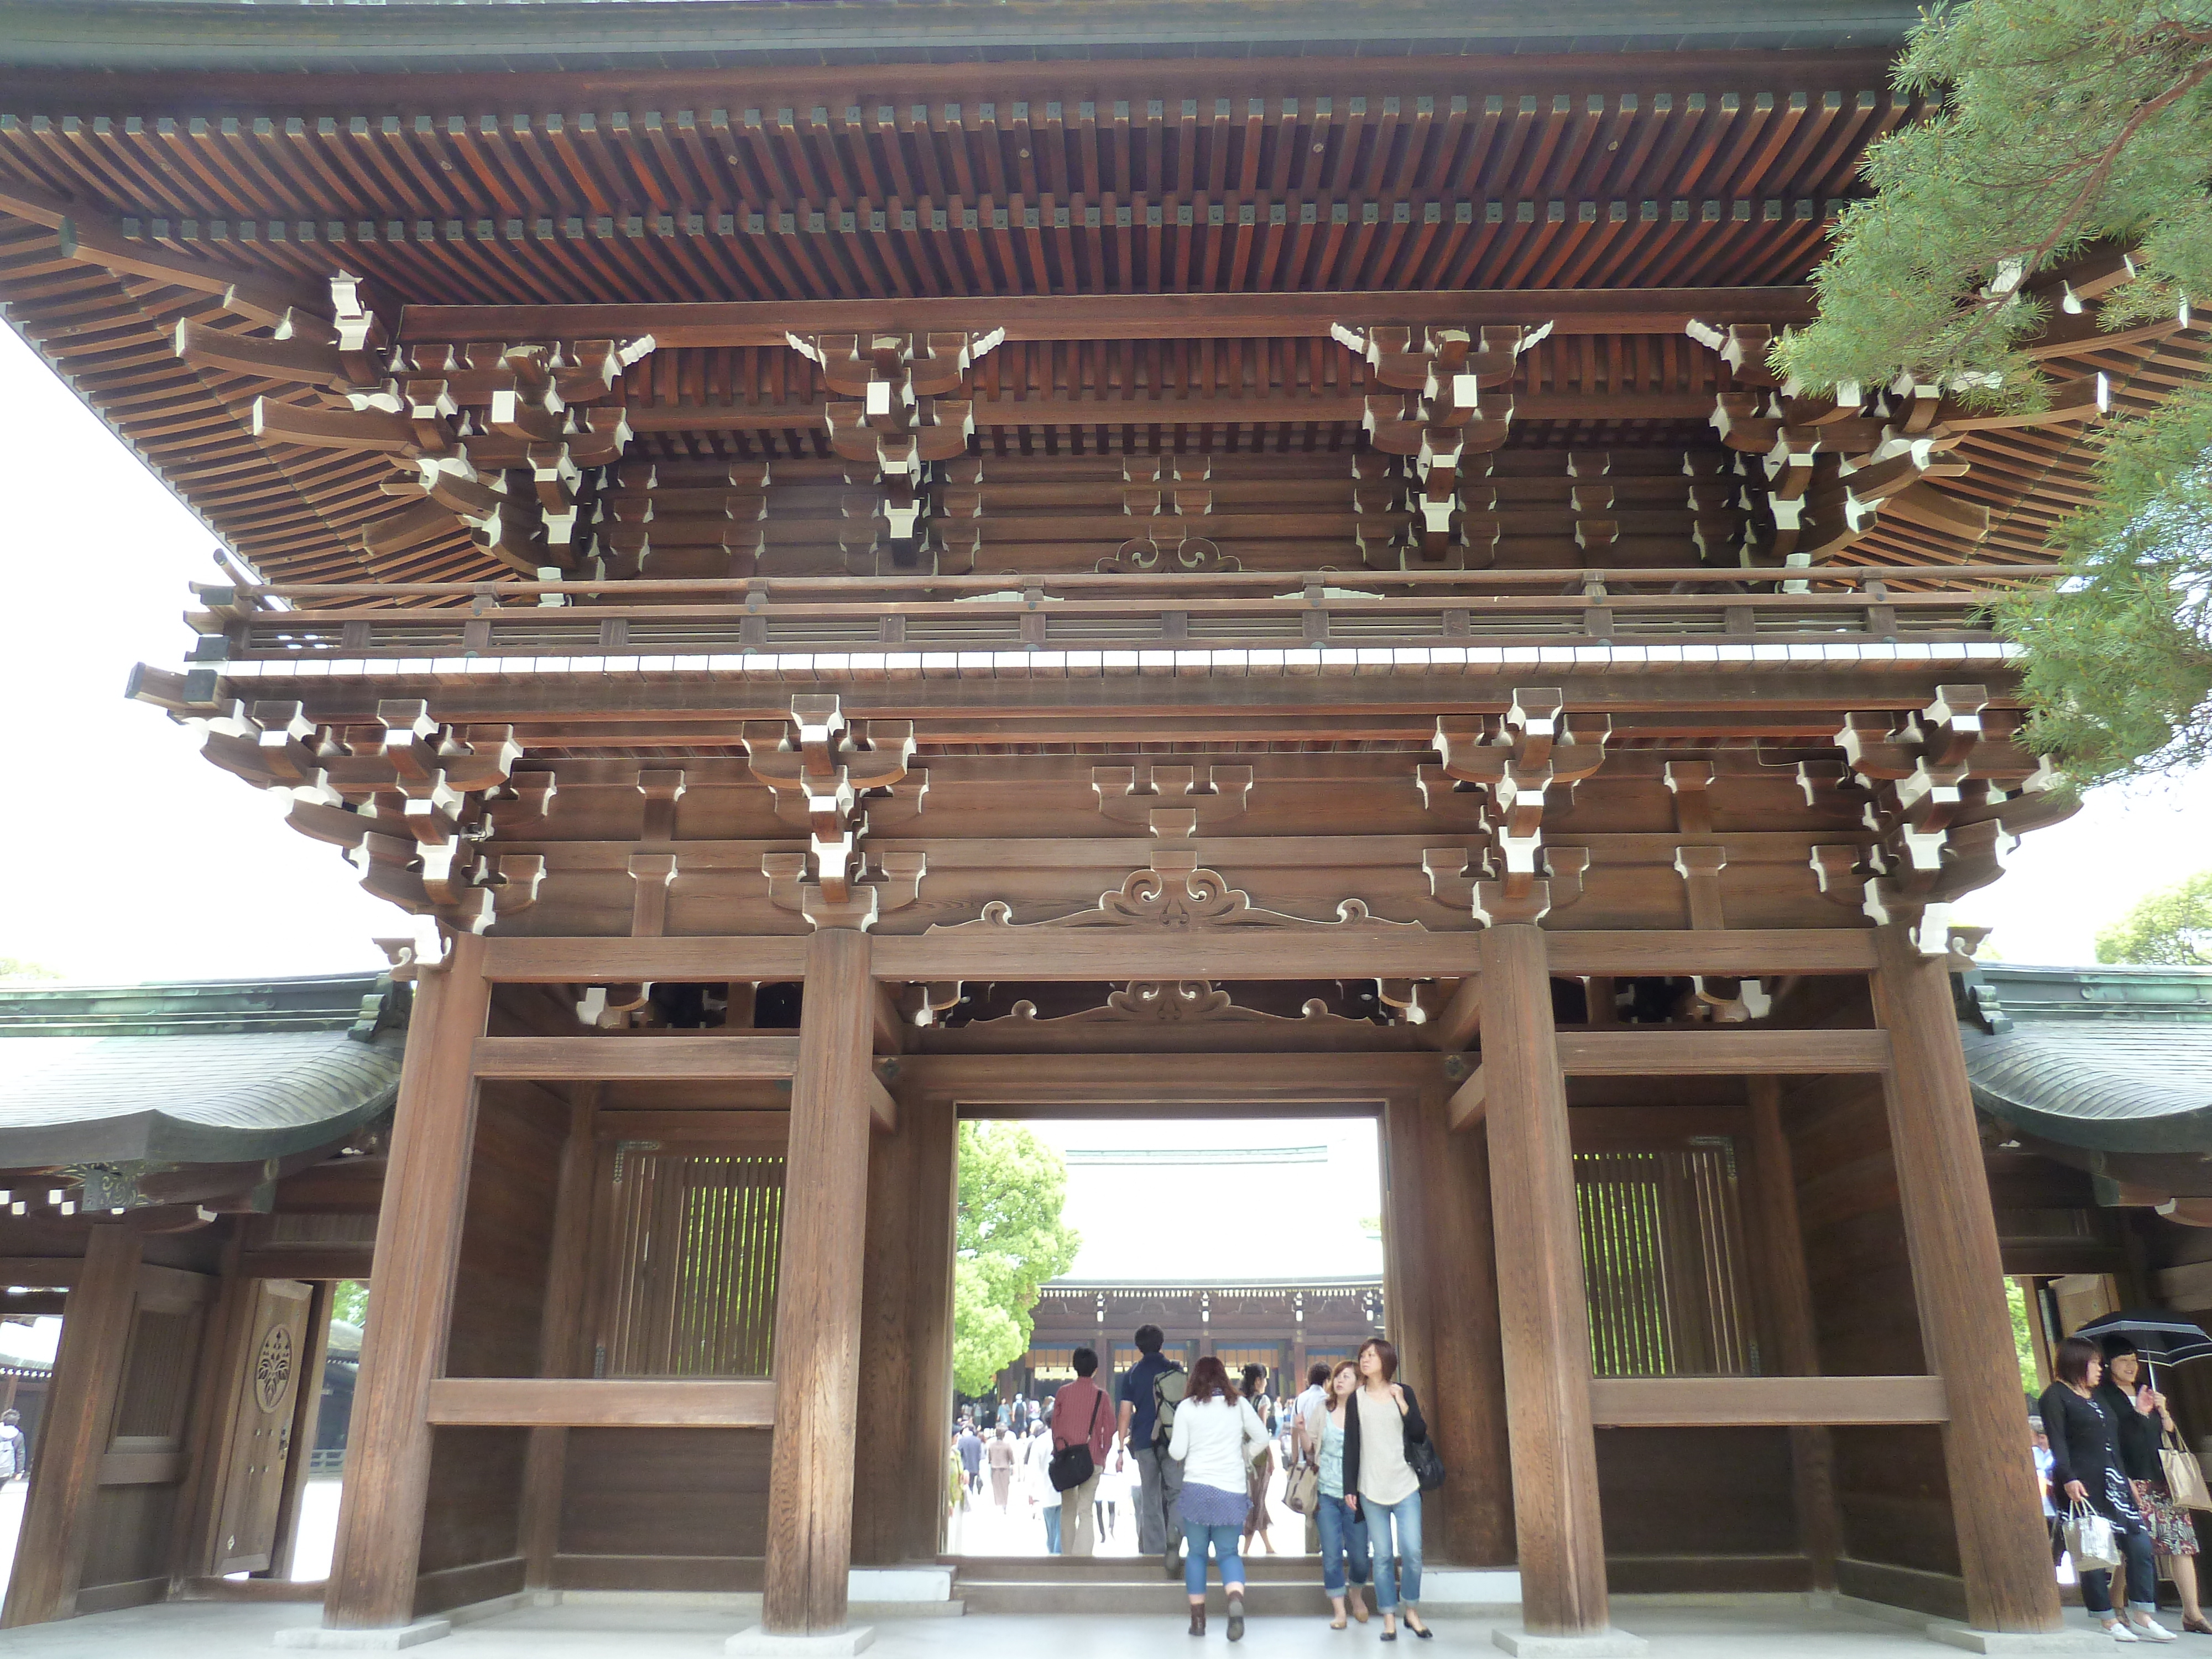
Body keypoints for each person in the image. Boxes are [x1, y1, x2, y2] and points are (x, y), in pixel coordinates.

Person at [2041, 1335, 2174, 1642]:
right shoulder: (2055, 1396)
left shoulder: (2097, 1396)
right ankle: (2107, 1617)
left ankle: (2143, 1612)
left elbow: (2115, 1441)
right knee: (2094, 1551)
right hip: (2081, 1483)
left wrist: (2126, 1476)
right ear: (2077, 1362)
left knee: (2139, 1544)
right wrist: (2068, 1477)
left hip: (2114, 1479)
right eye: (2094, 1363)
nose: (2100, 1369)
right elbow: (2058, 1442)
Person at [2100, 1340, 2207, 1634]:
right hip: (2133, 1478)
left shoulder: (2147, 1389)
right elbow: (2118, 1440)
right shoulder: (2105, 1397)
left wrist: (2163, 1411)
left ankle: (2192, 1613)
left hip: (2164, 1477)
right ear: (2109, 1364)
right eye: (2123, 1360)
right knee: (2133, 1548)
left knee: (2182, 1544)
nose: (2131, 1365)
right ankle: (2116, 1600)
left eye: (2133, 1359)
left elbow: (2170, 1433)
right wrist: (2138, 1413)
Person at [1167, 1355, 1271, 1641]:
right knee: (1228, 1554)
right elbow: (1262, 1437)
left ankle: (1198, 1621)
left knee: (1197, 1555)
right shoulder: (1238, 1404)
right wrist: (1245, 1455)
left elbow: (1177, 1452)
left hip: (1197, 1488)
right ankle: (1235, 1599)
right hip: (1231, 1489)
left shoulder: (1187, 1408)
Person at [1343, 1337, 1432, 1641]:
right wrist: (1349, 1487)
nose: (1365, 1360)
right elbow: (1351, 1446)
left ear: (1385, 1360)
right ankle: (1389, 1617)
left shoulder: (1402, 1392)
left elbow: (1420, 1433)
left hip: (1405, 1483)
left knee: (1413, 1551)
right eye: (1363, 1356)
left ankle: (1411, 1610)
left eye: (1371, 1355)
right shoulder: (1357, 1398)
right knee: (1381, 1556)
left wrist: (1405, 1406)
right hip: (1371, 1486)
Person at [1307, 1357, 1374, 1628]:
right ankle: (1339, 1609)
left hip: (1357, 1493)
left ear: (1359, 1383)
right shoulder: (1323, 1409)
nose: (1340, 1380)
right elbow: (1310, 1450)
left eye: (1347, 1376)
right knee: (1332, 1553)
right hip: (1326, 1492)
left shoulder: (1366, 1411)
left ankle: (1356, 1594)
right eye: (1338, 1376)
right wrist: (1301, 1431)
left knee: (1359, 1555)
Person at [1118, 1324, 1186, 1573]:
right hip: (1174, 1440)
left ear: (1138, 1348)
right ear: (1162, 1344)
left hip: (1145, 1441)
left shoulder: (1132, 1374)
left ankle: (1155, 1552)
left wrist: (1120, 1448)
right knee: (1177, 1493)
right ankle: (1175, 1538)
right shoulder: (1175, 1370)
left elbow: (1125, 1413)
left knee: (1150, 1496)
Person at [1053, 1346, 1117, 1557]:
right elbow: (1110, 1429)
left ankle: (1068, 1557)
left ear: (1074, 1367)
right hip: (1092, 1459)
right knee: (1086, 1510)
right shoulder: (1102, 1396)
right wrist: (1103, 1452)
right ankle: (1083, 1558)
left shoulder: (1063, 1393)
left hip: (1066, 1459)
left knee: (1068, 1510)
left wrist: (1060, 1449)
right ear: (1096, 1370)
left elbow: (1056, 1426)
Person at [1240, 1363, 1279, 1557]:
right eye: (1264, 1379)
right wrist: (1272, 1457)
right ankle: (1253, 1547)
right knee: (1258, 1500)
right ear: (1258, 1380)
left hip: (1241, 1454)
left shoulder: (1239, 1400)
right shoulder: (1262, 1401)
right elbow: (1262, 1433)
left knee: (1253, 1499)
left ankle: (1266, 1546)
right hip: (1259, 1457)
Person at [1025, 1420, 1063, 1554]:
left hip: (1046, 1492)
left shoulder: (1039, 1442)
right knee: (1061, 1531)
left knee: (1052, 1532)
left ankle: (1053, 1556)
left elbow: (1032, 1469)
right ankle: (1057, 1558)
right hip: (1065, 1491)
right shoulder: (1066, 1438)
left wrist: (1030, 1492)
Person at [987, 1426, 1019, 1511]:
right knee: (1005, 1488)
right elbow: (1012, 1459)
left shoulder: (991, 1445)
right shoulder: (1007, 1446)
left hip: (994, 1469)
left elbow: (989, 1459)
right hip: (1005, 1469)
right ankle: (1004, 1504)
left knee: (996, 1487)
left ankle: (997, 1503)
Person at [958, 1421, 984, 1495]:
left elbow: (959, 1453)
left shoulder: (962, 1440)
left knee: (964, 1486)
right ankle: (970, 1498)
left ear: (968, 1430)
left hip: (964, 1467)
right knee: (971, 1486)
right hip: (974, 1467)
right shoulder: (978, 1441)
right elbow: (979, 1456)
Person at [0, 1410, 24, 1484]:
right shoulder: (19, 1435)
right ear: (16, 1422)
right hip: (7, 1470)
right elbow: (20, 1454)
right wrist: (19, 1471)